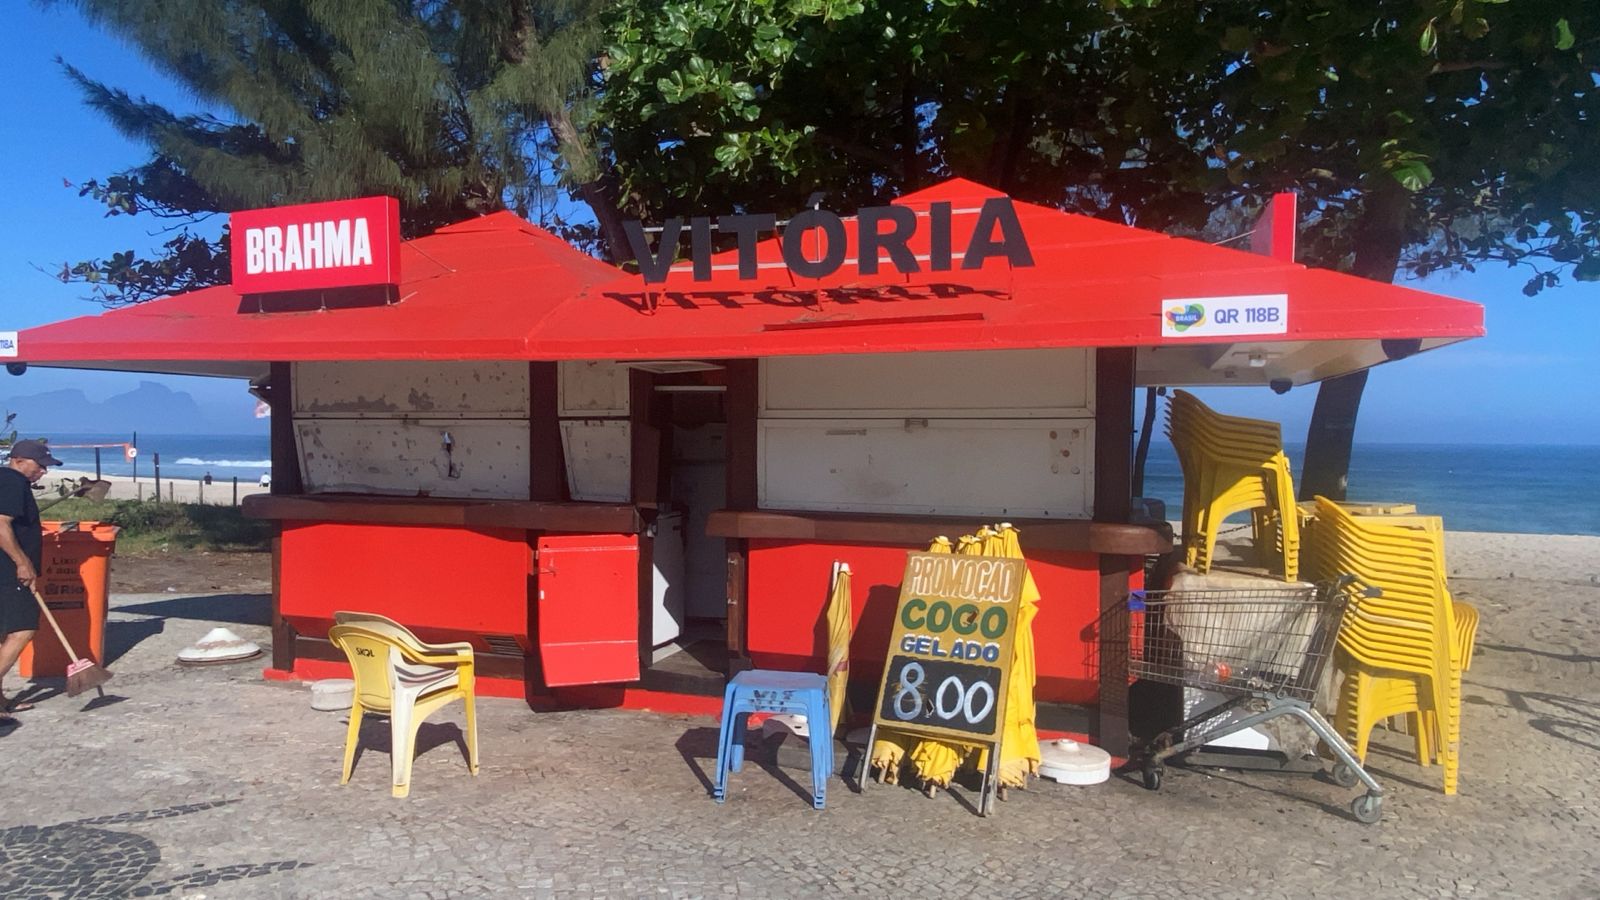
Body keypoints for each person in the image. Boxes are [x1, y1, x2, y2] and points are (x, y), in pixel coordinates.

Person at [0, 439, 60, 720]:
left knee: (4, 633)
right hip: (8, 572)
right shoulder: (12, 481)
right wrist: (23, 563)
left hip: (6, 571)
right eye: (40, 465)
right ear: (19, 460)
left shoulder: (9, 481)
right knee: (23, 629)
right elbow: (0, 524)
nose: (43, 472)